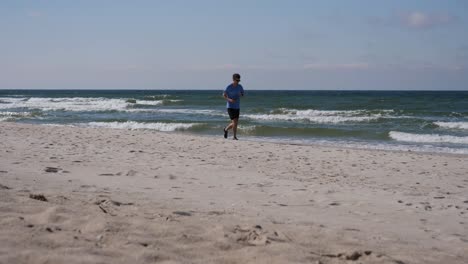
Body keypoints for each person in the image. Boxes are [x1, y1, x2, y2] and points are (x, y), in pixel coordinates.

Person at [223, 73, 244, 140]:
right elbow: (224, 95)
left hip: (237, 106)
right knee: (234, 122)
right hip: (230, 106)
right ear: (233, 79)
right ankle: (234, 137)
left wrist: (241, 94)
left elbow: (242, 94)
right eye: (237, 80)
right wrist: (229, 99)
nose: (238, 82)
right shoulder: (229, 87)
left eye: (239, 80)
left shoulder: (240, 86)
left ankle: (226, 129)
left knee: (235, 123)